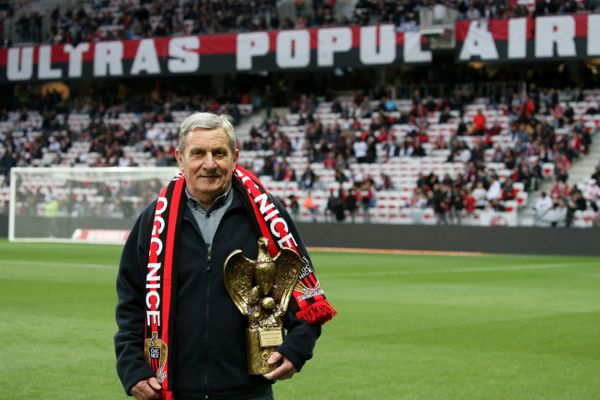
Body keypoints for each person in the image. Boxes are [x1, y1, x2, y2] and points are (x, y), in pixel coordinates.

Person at [115, 113, 335, 400]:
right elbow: (132, 301)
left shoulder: (267, 216)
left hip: (249, 392)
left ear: (235, 156)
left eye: (219, 152)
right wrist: (132, 367)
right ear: (180, 158)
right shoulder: (154, 219)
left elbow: (304, 289)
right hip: (170, 390)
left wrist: (297, 349)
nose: (209, 163)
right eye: (198, 153)